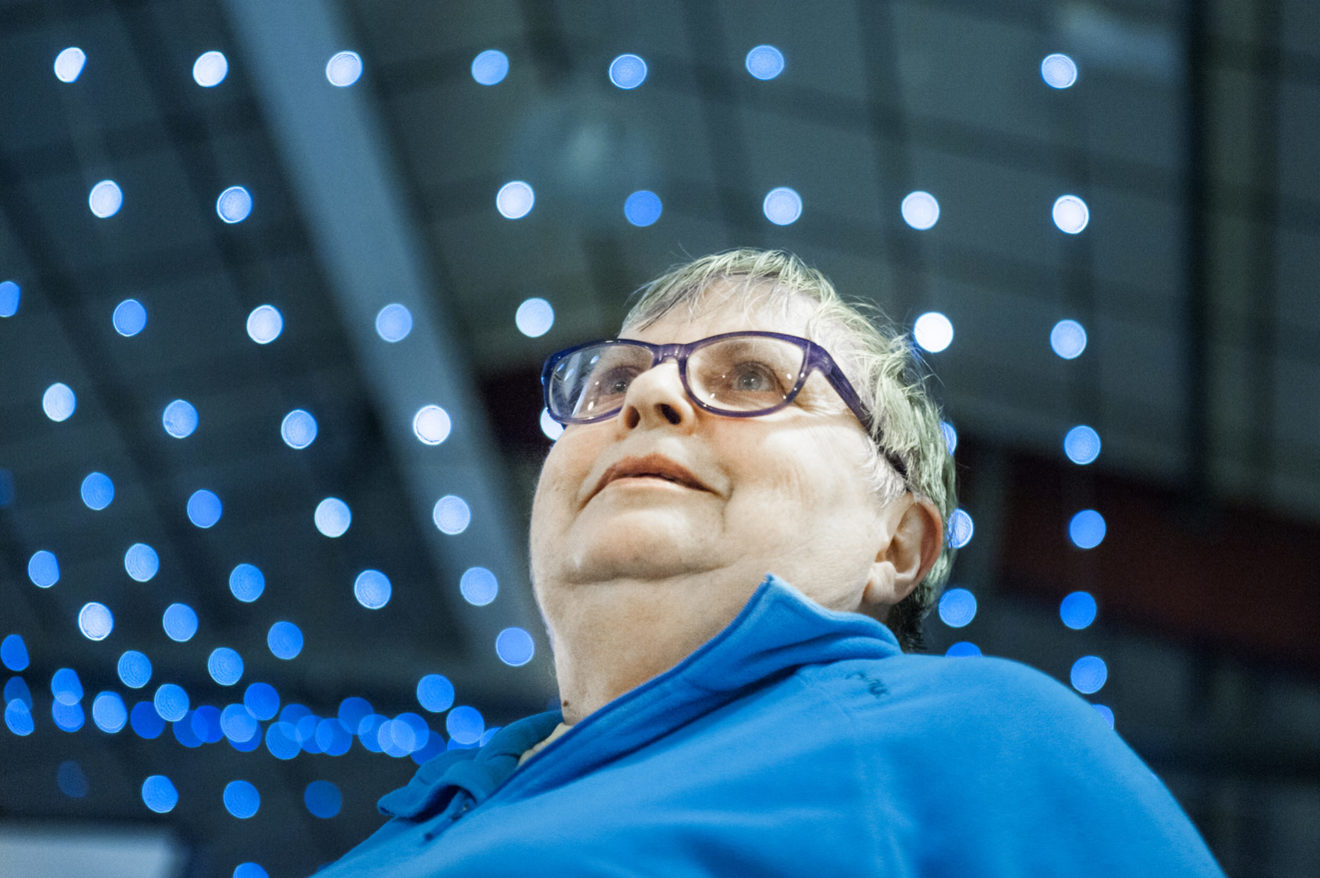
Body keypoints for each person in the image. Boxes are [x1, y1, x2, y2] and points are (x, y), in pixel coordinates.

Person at [317, 249, 1224, 876]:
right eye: (611, 380)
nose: (649, 393)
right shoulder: (405, 826)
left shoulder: (985, 742)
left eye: (753, 377)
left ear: (898, 543)